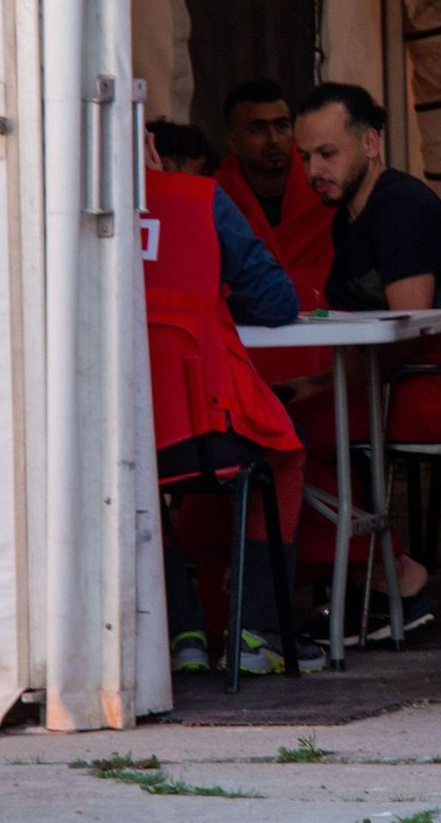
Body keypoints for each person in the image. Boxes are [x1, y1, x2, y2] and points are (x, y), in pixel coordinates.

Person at [287, 82, 441, 639]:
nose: (314, 169)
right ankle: (373, 585)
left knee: (286, 436)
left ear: (372, 144)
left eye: (328, 153)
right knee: (291, 418)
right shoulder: (348, 220)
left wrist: (328, 386)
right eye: (305, 156)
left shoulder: (399, 206)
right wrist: (319, 382)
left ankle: (395, 577)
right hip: (401, 376)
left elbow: (407, 323)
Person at [139, 125, 325, 676]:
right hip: (207, 429)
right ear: (150, 148)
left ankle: (180, 633)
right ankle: (256, 634)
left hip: (121, 434)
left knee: (128, 488)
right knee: (284, 455)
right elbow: (275, 301)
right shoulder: (198, 200)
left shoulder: (56, 214)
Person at [214, 79, 335, 319]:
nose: (274, 139)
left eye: (282, 126)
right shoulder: (215, 199)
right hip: (246, 340)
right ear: (233, 142)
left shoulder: (326, 188)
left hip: (324, 336)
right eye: (257, 129)